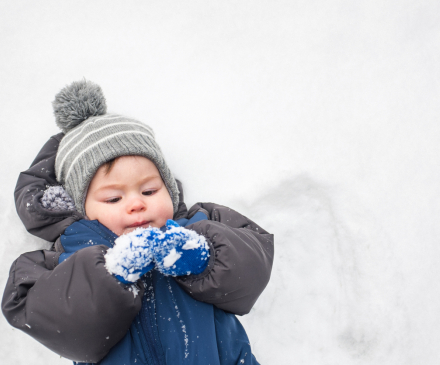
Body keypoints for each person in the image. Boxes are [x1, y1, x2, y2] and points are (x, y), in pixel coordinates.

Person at [2, 80, 274, 365]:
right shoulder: (67, 259)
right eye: (113, 199)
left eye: (149, 191)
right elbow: (54, 320)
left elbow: (254, 263)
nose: (136, 203)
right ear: (82, 209)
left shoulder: (198, 224)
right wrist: (109, 275)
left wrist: (206, 257)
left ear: (169, 189)